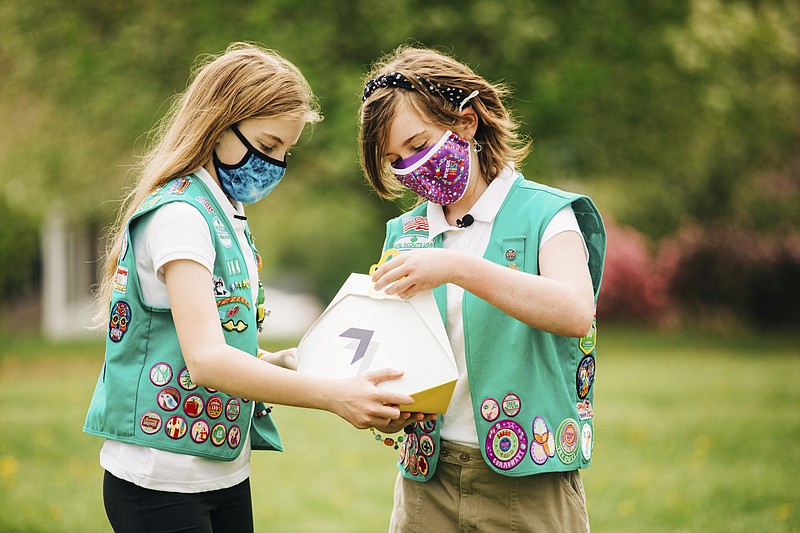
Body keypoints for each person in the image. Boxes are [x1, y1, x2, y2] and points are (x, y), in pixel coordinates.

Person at [84, 42, 414, 533]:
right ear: (219, 124)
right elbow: (207, 360)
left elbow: (216, 341)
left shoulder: (226, 214)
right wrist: (331, 395)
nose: (275, 164)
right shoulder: (180, 216)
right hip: (159, 483)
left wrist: (281, 361)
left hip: (223, 471)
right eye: (266, 146)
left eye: (284, 151)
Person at [358, 45, 606, 532]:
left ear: (466, 123)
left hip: (530, 479)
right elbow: (396, 350)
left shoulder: (546, 214)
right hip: (426, 479)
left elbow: (576, 311)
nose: (411, 166)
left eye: (418, 142)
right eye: (395, 159)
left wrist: (456, 266)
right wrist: (390, 407)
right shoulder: (404, 234)